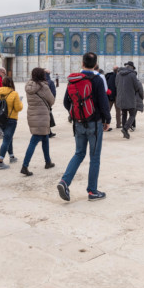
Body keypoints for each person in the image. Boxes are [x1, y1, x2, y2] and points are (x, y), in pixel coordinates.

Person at [57, 52, 111, 202]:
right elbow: (103, 103)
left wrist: (76, 114)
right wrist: (107, 119)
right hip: (94, 124)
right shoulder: (98, 79)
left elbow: (66, 102)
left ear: (82, 63)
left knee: (79, 154)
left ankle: (64, 182)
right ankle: (92, 191)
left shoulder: (74, 80)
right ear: (95, 64)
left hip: (78, 123)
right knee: (94, 158)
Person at [21, 68, 56, 176]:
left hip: (32, 115)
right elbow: (52, 100)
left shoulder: (29, 86)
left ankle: (48, 162)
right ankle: (24, 166)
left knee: (45, 138)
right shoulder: (43, 86)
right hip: (42, 117)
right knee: (34, 141)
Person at [0, 76, 23, 169]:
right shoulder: (14, 93)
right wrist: (21, 103)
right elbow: (18, 108)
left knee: (8, 137)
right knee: (7, 139)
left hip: (0, 119)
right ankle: (0, 161)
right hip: (11, 119)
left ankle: (12, 156)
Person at [115, 61, 144, 139]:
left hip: (121, 98)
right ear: (132, 68)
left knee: (124, 114)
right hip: (130, 98)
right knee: (132, 115)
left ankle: (125, 132)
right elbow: (137, 86)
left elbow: (116, 85)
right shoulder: (132, 75)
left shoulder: (118, 74)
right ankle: (125, 128)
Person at [104, 66, 121, 132]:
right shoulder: (118, 77)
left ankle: (105, 124)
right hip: (116, 96)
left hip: (109, 95)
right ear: (117, 71)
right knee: (118, 111)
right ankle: (118, 124)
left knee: (107, 111)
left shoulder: (108, 76)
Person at [44, 69, 57, 138]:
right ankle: (48, 133)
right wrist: (51, 102)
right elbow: (53, 93)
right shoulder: (50, 82)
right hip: (48, 103)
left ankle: (49, 132)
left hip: (40, 103)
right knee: (48, 117)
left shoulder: (39, 82)